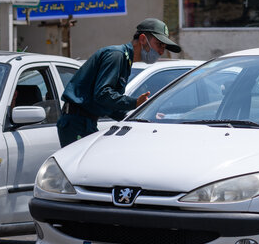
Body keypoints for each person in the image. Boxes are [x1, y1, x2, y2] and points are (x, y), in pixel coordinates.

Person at [57, 18, 181, 147]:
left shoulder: (125, 61)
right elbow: (103, 94)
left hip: (86, 122)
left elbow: (108, 106)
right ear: (143, 39)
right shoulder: (116, 55)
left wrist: (141, 114)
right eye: (159, 44)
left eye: (164, 47)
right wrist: (134, 102)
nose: (161, 51)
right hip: (76, 122)